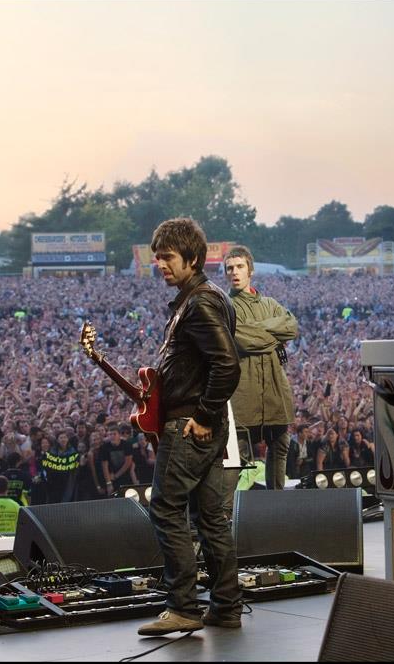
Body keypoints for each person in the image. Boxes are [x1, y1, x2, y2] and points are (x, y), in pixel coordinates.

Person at [138, 218, 242, 636]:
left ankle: (182, 605)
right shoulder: (204, 298)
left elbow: (227, 364)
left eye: (167, 257)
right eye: (157, 257)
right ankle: (226, 606)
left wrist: (201, 415)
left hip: (191, 425)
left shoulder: (199, 303)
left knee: (166, 507)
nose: (159, 264)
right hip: (204, 424)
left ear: (193, 258)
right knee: (211, 519)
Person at [224, 245, 299, 490]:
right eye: (229, 268)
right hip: (243, 395)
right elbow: (239, 339)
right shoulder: (225, 306)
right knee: (237, 458)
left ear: (251, 270)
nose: (234, 272)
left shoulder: (270, 303)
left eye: (239, 267)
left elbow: (291, 327)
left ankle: (276, 508)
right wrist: (273, 336)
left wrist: (257, 331)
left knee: (280, 448)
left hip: (276, 392)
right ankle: (224, 517)